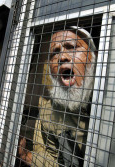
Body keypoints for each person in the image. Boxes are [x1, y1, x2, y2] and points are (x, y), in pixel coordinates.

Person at [19, 27, 97, 166]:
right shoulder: (48, 111)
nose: (62, 57)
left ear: (93, 56)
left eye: (72, 47)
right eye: (55, 52)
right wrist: (26, 155)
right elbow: (54, 159)